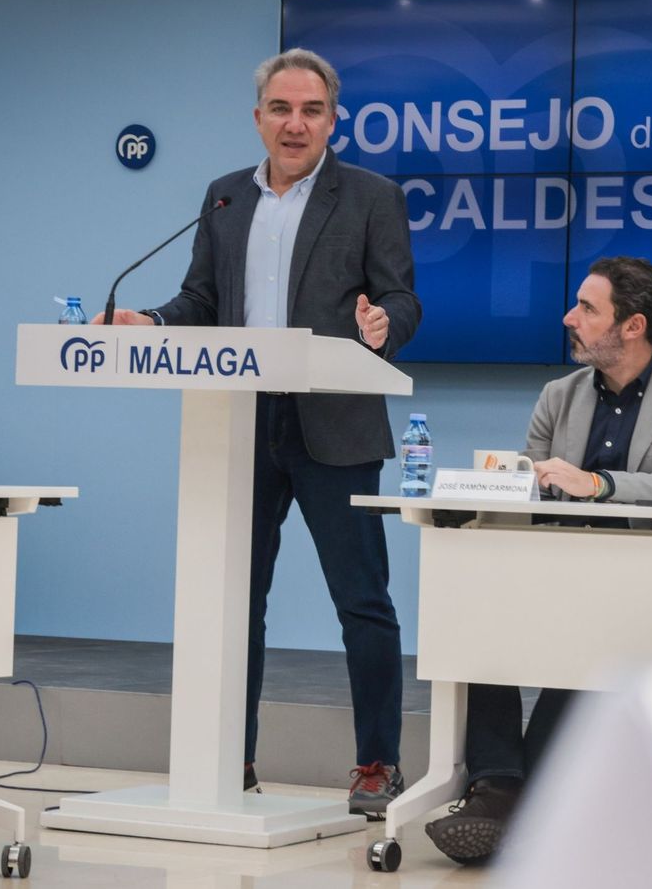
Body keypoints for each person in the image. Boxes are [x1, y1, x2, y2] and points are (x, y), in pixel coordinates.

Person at [99, 49, 420, 813]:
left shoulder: (372, 197)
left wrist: (381, 327)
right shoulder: (223, 200)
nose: (295, 123)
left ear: (333, 120)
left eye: (311, 110)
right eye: (280, 109)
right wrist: (150, 320)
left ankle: (377, 762)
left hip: (333, 420)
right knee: (233, 598)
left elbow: (403, 302)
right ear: (258, 118)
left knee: (361, 601)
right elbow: (201, 301)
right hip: (240, 418)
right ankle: (228, 757)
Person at [423, 256, 652, 865]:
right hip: (553, 569)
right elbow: (527, 478)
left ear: (633, 326)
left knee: (592, 641)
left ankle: (515, 796)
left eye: (587, 308)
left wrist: (599, 484)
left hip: (645, 580)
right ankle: (498, 784)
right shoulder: (557, 396)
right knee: (481, 610)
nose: (570, 317)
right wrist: (503, 483)